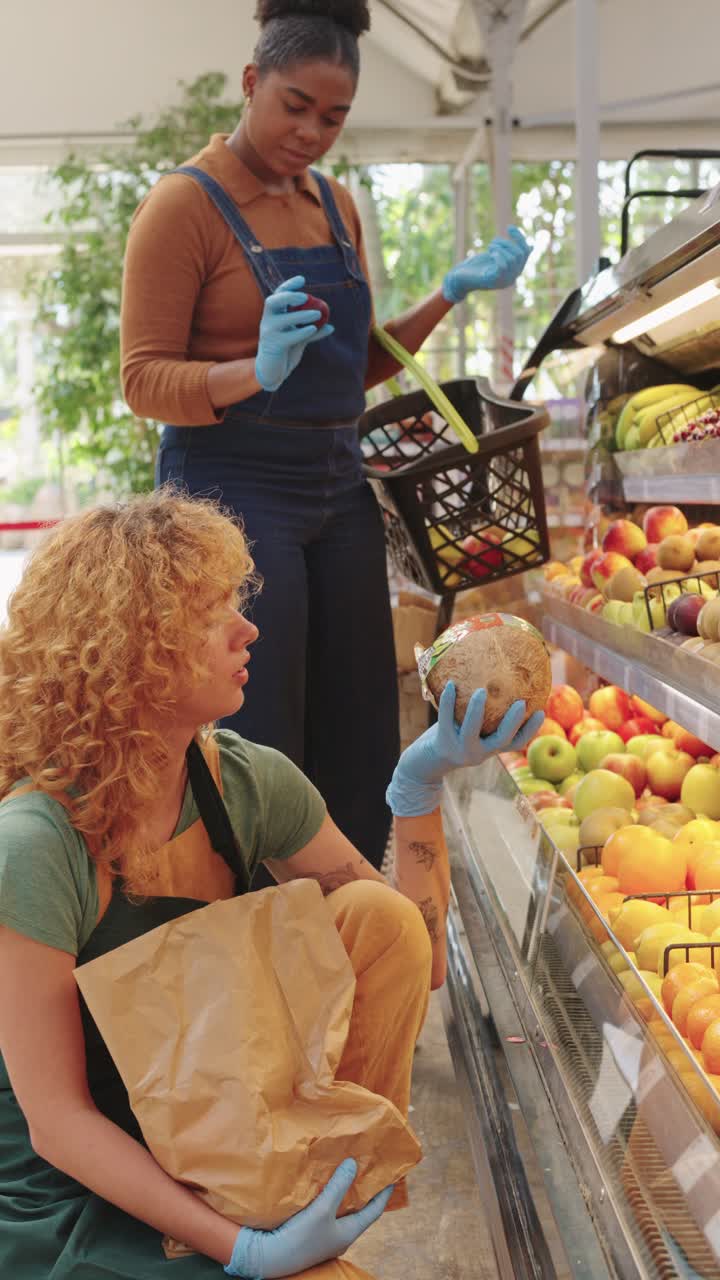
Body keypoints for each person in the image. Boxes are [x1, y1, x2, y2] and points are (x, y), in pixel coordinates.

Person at [0, 489, 542, 1279]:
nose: (249, 627)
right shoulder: (38, 842)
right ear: (130, 645)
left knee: (375, 917)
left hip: (208, 1137)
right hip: (75, 1191)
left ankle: (324, 1181)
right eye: (211, 610)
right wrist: (243, 1252)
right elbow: (57, 1122)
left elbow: (412, 959)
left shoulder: (245, 784)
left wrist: (419, 792)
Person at [120, 0, 532, 873]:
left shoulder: (335, 206)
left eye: (334, 117)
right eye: (295, 105)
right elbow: (143, 379)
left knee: (359, 722)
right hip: (231, 491)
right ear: (250, 83)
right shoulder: (182, 208)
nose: (311, 131)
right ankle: (250, 922)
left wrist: (448, 295)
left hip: (340, 490)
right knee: (254, 724)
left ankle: (340, 909)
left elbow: (357, 370)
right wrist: (250, 375)